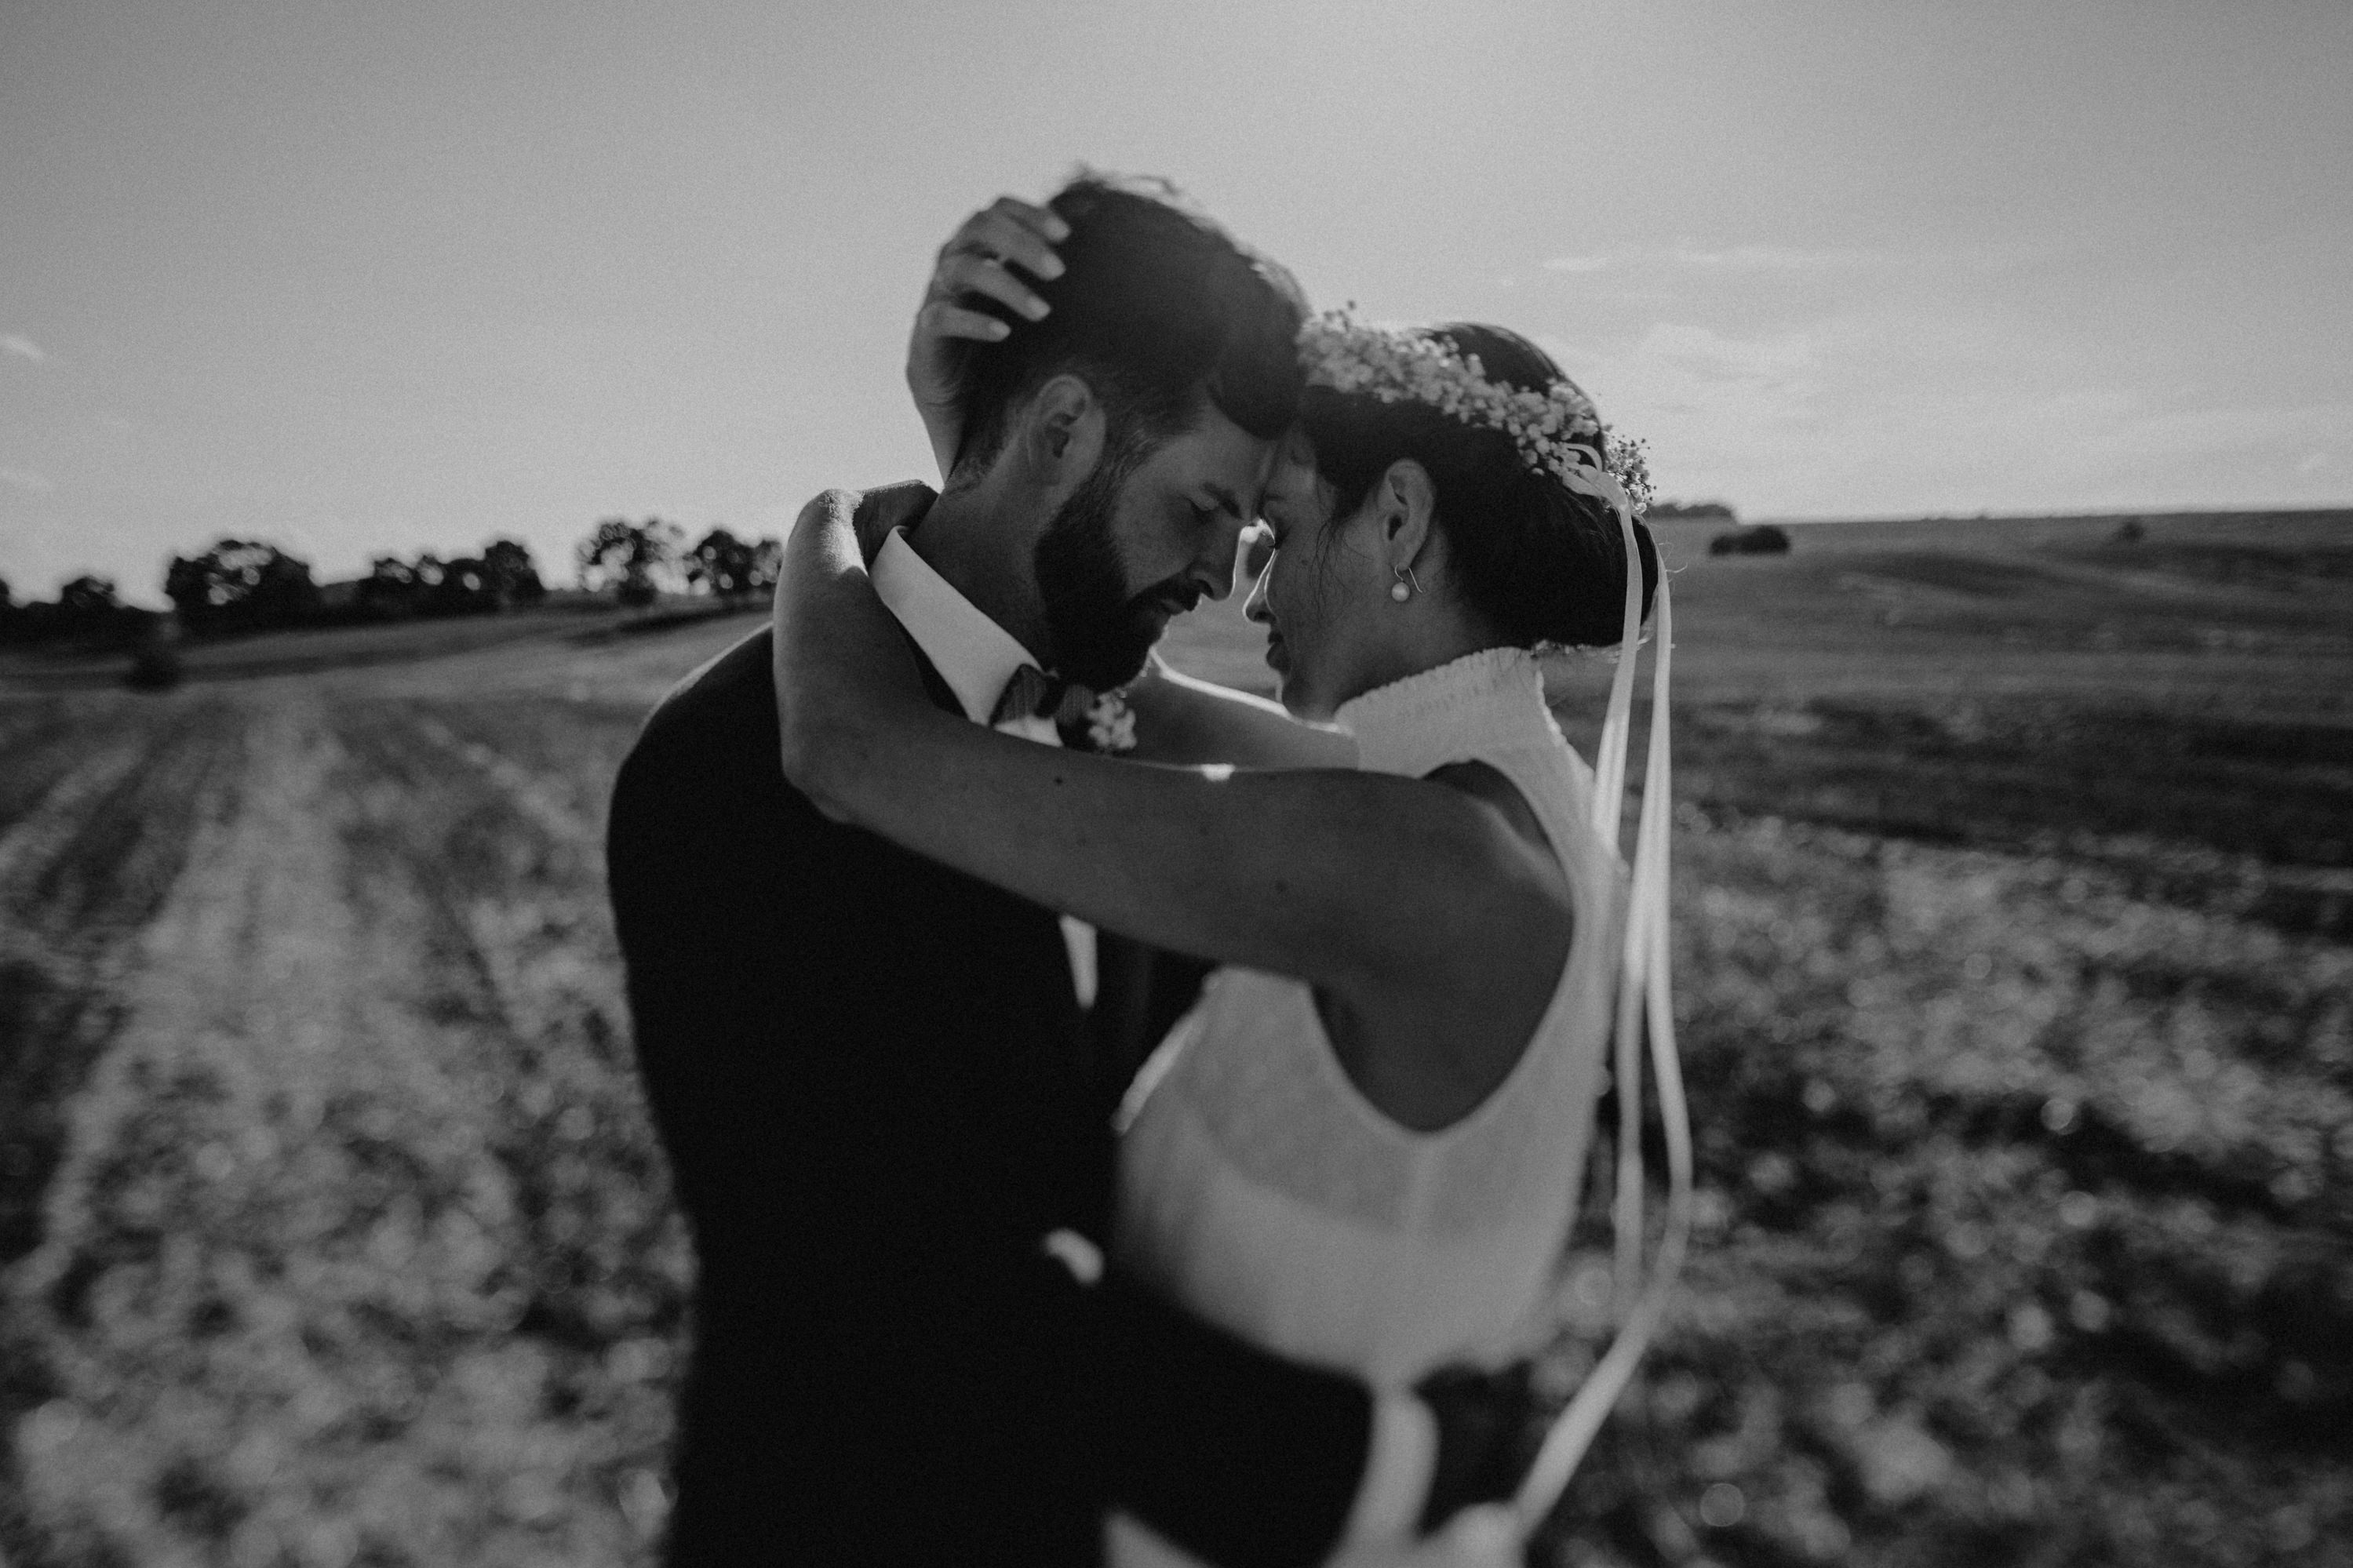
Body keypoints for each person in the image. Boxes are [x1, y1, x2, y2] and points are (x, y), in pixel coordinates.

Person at [605, 173, 1531, 1568]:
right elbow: (909, 1313)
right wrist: (1400, 1461)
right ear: (1061, 427)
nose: (1226, 577)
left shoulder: (1124, 725)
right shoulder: (729, 768)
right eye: (1207, 507)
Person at [770, 211, 1689, 1566]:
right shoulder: (1502, 802)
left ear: (1400, 515)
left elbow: (852, 748)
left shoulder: (1412, 861)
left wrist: (829, 521)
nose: (1242, 586)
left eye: (1275, 528)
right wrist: (987, 445)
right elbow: (1113, 683)